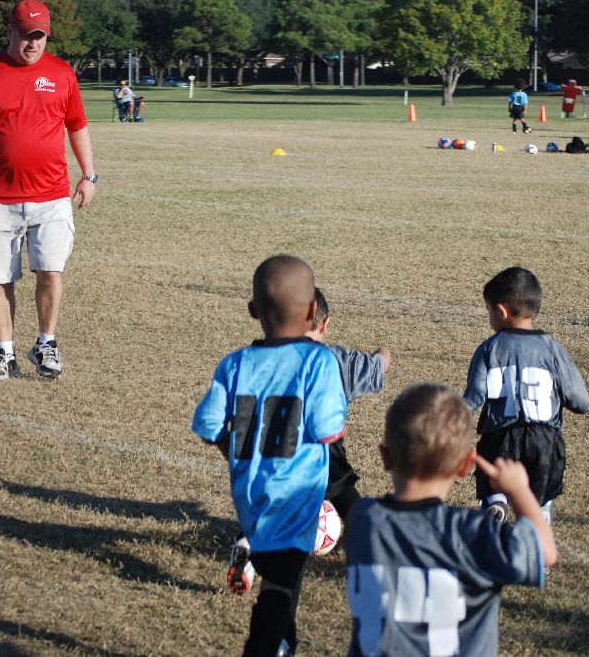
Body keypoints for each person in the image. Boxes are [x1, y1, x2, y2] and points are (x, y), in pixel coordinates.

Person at [193, 255, 348, 657]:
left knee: (279, 573)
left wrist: (233, 450)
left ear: (252, 311)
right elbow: (329, 429)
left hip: (250, 494)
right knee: (281, 585)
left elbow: (208, 424)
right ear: (313, 312)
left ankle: (281, 642)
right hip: (296, 495)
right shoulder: (319, 361)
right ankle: (266, 646)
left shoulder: (235, 363)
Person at [0, 0, 97, 381]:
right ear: (10, 31)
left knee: (51, 271)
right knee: (1, 278)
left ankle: (46, 343)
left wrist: (89, 175)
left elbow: (77, 125)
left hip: (52, 196)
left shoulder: (62, 73)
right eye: (27, 35)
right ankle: (5, 352)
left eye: (40, 36)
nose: (34, 43)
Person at [345, 383, 557, 657]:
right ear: (465, 465)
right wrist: (518, 491)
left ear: (385, 457)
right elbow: (545, 552)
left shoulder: (362, 519)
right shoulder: (471, 532)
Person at [226, 286, 391, 596]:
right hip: (322, 456)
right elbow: (378, 365)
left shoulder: (256, 358)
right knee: (350, 506)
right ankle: (375, 556)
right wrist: (383, 353)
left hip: (272, 454)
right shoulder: (337, 360)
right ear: (324, 323)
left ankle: (246, 545)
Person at [462, 267, 589, 528]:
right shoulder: (552, 348)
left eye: (488, 310)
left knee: (492, 482)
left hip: (500, 438)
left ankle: (495, 501)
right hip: (544, 440)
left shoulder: (489, 348)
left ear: (501, 312)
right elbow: (581, 402)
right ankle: (539, 526)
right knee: (539, 498)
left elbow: (473, 398)